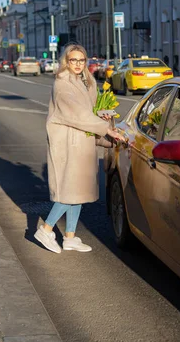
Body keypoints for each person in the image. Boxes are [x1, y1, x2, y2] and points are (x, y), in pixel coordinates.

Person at [35, 44, 124, 254]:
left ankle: (70, 237)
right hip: (68, 142)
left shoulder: (87, 81)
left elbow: (88, 112)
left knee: (79, 191)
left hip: (82, 141)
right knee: (69, 191)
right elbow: (76, 114)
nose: (77, 64)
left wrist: (102, 115)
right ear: (66, 61)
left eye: (81, 60)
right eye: (73, 60)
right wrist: (106, 129)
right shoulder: (62, 84)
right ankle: (46, 229)